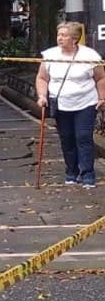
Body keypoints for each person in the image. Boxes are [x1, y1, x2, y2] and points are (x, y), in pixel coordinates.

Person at [36, 21, 105, 188]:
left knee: (83, 137)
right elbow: (42, 78)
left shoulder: (90, 56)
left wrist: (102, 98)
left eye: (64, 35)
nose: (60, 38)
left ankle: (87, 174)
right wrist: (42, 95)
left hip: (85, 103)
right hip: (61, 103)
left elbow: (100, 78)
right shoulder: (50, 55)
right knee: (67, 139)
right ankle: (71, 172)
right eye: (59, 35)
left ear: (74, 38)